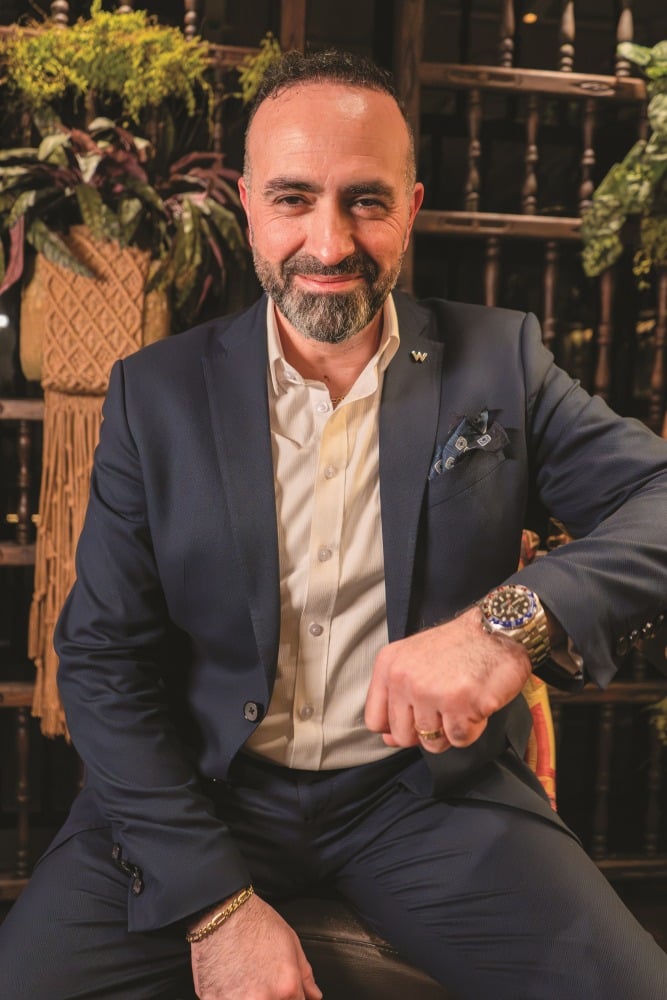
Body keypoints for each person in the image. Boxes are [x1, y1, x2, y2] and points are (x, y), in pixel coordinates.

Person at [1, 49, 666, 1000]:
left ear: (412, 206)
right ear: (247, 205)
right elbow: (103, 660)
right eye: (293, 199)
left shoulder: (501, 361)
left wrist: (503, 626)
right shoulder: (155, 395)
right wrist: (218, 908)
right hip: (202, 794)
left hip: (426, 798)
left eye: (365, 201)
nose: (329, 242)